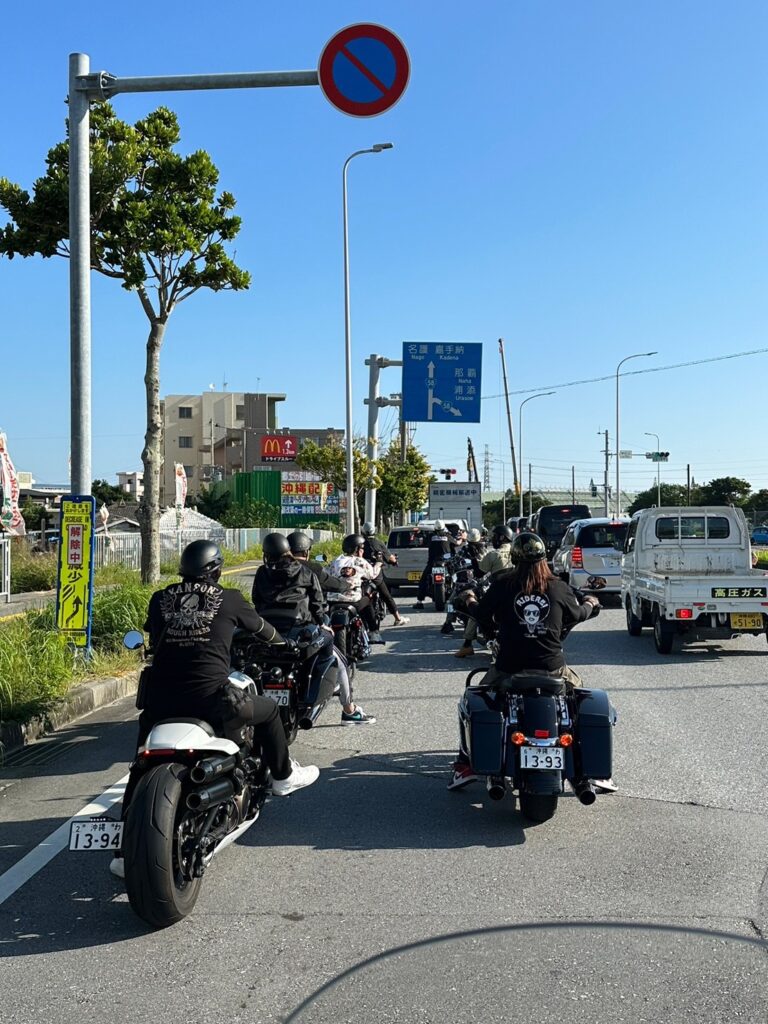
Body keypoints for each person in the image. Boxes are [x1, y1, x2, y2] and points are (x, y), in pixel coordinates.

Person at [111, 540, 319, 879]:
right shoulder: (230, 599)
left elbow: (156, 633)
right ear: (216, 571)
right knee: (268, 712)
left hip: (159, 701)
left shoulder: (160, 599)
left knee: (140, 766)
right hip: (211, 699)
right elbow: (265, 632)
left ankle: (122, 850)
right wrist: (285, 645)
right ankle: (283, 777)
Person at [448, 531, 606, 790]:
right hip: (552, 668)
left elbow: (481, 614)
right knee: (579, 701)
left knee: (472, 699)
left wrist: (470, 598)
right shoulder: (558, 586)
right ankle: (588, 766)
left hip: (509, 666)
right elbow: (578, 613)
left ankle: (465, 764)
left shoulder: (503, 585)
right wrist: (590, 602)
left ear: (514, 557)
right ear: (545, 557)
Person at [286, 530, 375, 725]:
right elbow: (323, 596)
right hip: (304, 628)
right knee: (340, 663)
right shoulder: (311, 569)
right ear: (306, 551)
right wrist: (345, 587)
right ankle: (349, 710)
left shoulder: (266, 570)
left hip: (273, 631)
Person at [251, 532, 343, 717]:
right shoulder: (305, 571)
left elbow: (256, 599)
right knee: (328, 640)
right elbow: (318, 603)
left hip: (267, 628)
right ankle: (321, 686)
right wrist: (321, 623)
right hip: (299, 626)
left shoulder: (262, 571)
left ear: (266, 553)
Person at [454, 524, 515, 657]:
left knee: (476, 609)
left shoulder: (493, 554)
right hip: (517, 594)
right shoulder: (517, 553)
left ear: (501, 538)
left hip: (497, 593)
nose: (492, 539)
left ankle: (467, 644)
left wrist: (475, 561)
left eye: (494, 537)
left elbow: (479, 573)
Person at [326, 534, 383, 643]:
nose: (363, 551)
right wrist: (378, 564)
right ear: (356, 548)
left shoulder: (336, 560)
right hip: (352, 601)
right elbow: (372, 574)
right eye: (362, 548)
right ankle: (374, 632)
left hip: (332, 600)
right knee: (368, 600)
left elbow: (326, 573)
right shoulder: (360, 561)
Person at [361, 521, 409, 626]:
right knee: (386, 596)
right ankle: (398, 618)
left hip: (361, 576)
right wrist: (394, 561)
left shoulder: (359, 544)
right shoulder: (378, 543)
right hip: (376, 576)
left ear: (362, 531)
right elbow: (389, 557)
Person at [413, 519, 456, 609]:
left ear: (435, 528)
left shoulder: (431, 536)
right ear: (443, 527)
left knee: (423, 580)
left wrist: (418, 534)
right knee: (456, 577)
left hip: (433, 563)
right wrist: (462, 538)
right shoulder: (448, 536)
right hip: (446, 563)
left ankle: (419, 601)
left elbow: (422, 542)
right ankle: (456, 598)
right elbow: (457, 543)